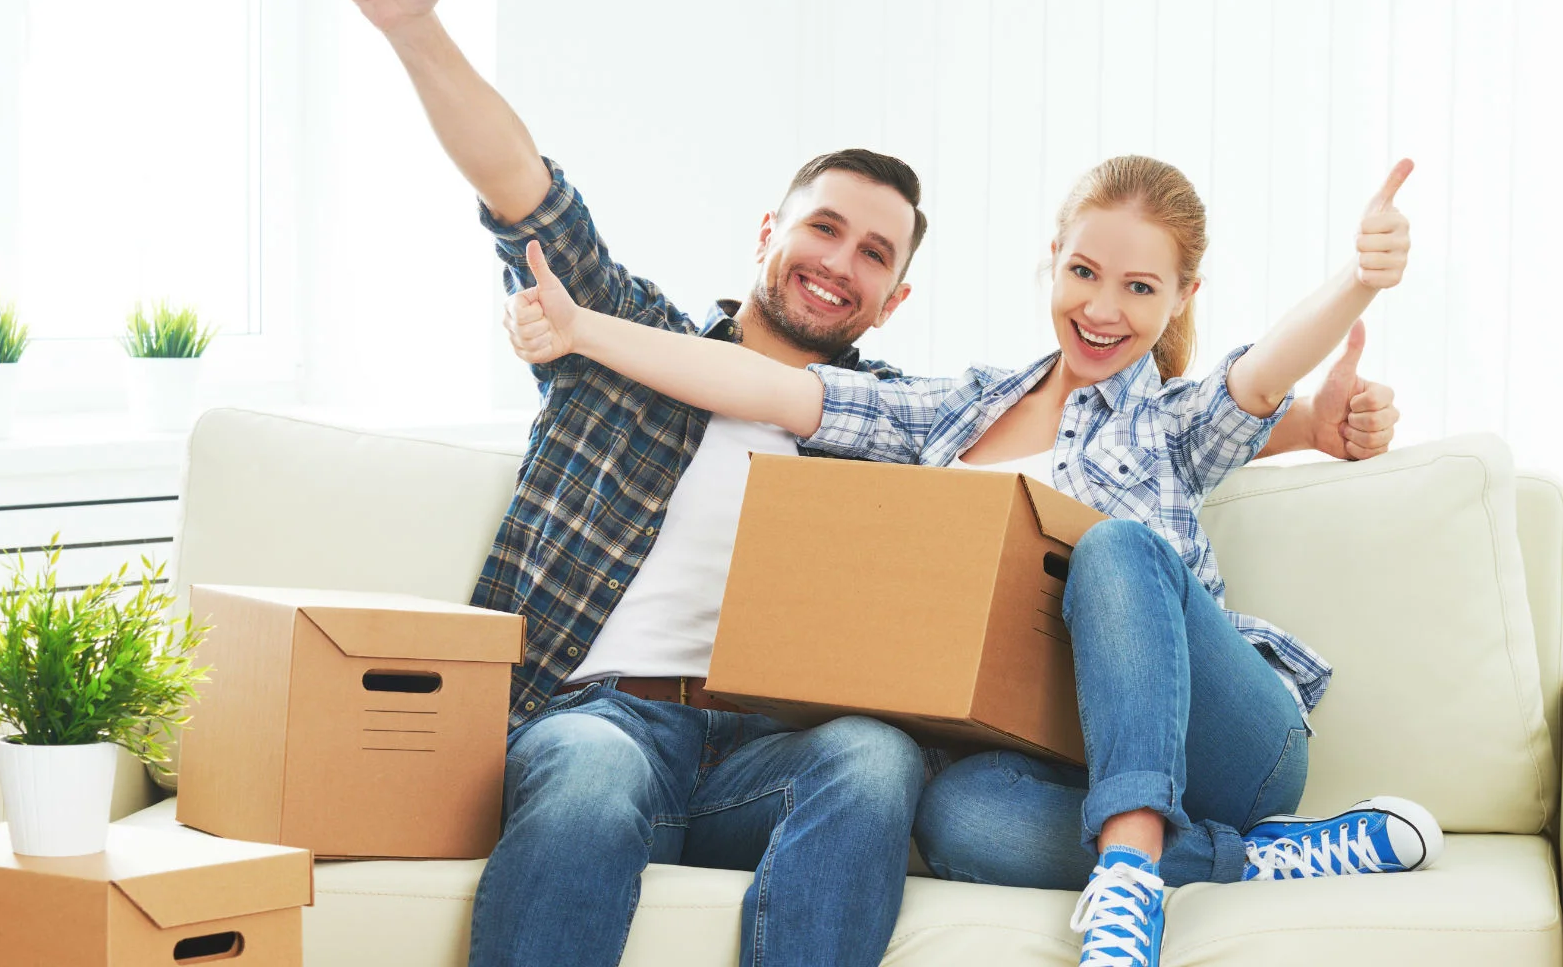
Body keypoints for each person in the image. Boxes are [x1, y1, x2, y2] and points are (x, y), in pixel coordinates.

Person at [343, 0, 1401, 967]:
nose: (838, 262)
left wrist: (1319, 396)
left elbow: (1203, 409)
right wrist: (420, 35)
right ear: (770, 232)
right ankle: (1220, 859)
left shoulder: (913, 429)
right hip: (600, 718)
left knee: (887, 752)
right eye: (822, 229)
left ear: (894, 301)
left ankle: (1142, 866)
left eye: (873, 254)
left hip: (772, 743)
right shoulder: (663, 354)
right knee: (671, 785)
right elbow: (531, 195)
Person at [505, 152, 1437, 967]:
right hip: (1061, 762)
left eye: (1141, 289)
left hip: (1228, 741)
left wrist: (1357, 279)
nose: (1104, 309)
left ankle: (1132, 878)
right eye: (1084, 272)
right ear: (1050, 263)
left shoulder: (1172, 421)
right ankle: (1243, 857)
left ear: (1182, 298)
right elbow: (777, 390)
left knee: (1111, 548)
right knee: (951, 813)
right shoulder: (949, 416)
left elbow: (1263, 375)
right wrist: (584, 332)